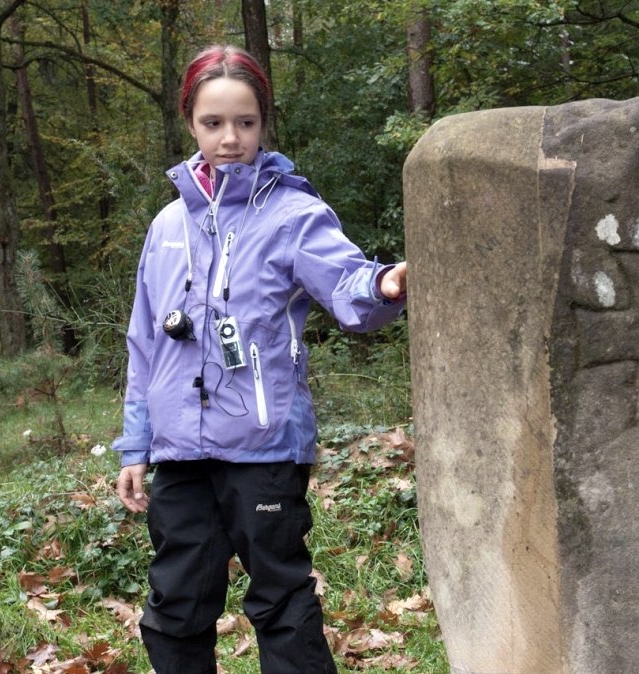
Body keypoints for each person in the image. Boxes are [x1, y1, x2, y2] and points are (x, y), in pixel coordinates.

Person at [111, 44, 409, 674]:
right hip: (179, 455)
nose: (229, 138)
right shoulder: (167, 225)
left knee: (281, 599)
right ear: (189, 121)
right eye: (213, 123)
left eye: (245, 122)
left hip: (265, 446)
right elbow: (145, 339)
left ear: (263, 122)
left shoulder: (293, 213)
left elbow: (348, 282)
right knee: (176, 605)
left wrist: (384, 286)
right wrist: (135, 444)